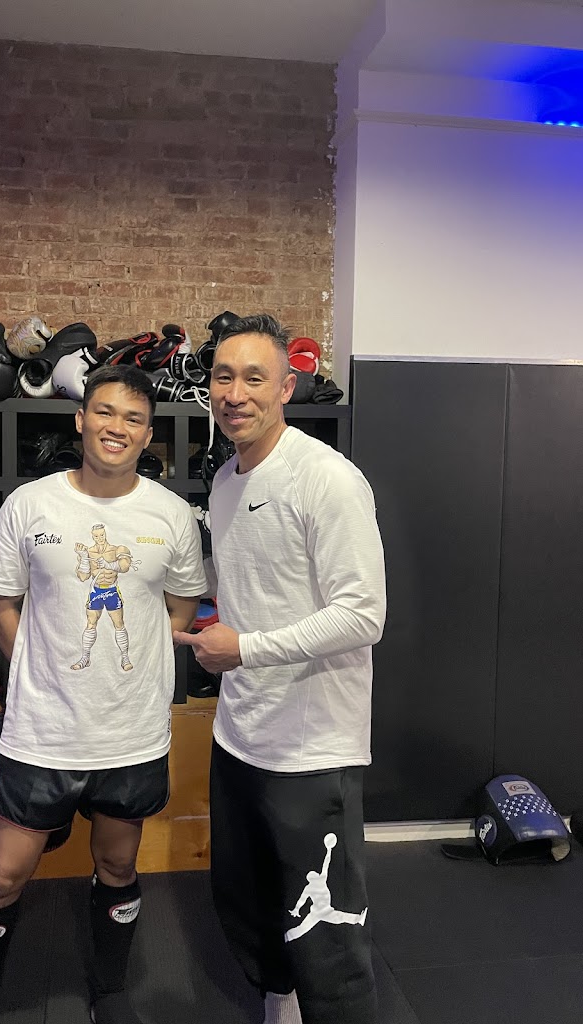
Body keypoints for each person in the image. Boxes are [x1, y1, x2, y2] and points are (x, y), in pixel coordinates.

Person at [0, 363, 207, 1024]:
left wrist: (138, 668)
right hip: (42, 728)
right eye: (104, 412)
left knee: (118, 865)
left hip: (130, 731)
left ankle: (109, 990)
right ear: (80, 419)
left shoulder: (170, 514)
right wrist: (33, 667)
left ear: (148, 434)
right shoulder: (31, 504)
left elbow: (182, 603)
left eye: (133, 418)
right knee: (4, 874)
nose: (116, 427)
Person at [174, 314, 386, 1024]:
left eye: (253, 378)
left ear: (286, 388)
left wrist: (246, 649)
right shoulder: (226, 483)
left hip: (312, 746)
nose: (235, 393)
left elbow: (363, 615)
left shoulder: (328, 480)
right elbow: (250, 588)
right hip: (241, 733)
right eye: (222, 377)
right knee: (250, 902)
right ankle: (279, 1003)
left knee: (326, 930)